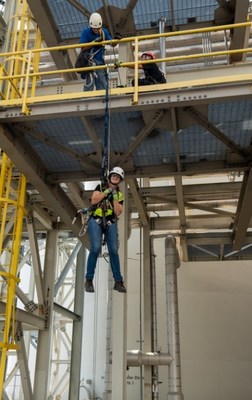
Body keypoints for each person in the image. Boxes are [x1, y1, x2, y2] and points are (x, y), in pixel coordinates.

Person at [84, 167, 127, 293]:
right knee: (96, 248)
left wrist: (113, 195)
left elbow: (118, 212)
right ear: (109, 177)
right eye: (113, 176)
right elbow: (94, 200)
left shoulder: (119, 195)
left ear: (119, 180)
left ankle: (118, 281)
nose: (115, 178)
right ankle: (89, 280)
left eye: (117, 177)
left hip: (110, 221)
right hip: (96, 219)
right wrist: (108, 190)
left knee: (113, 250)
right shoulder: (100, 187)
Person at [79, 12, 117, 91]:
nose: (96, 30)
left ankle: (103, 99)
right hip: (89, 62)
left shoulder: (104, 32)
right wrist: (94, 42)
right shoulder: (86, 32)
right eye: (94, 28)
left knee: (102, 82)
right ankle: (87, 99)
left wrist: (116, 40)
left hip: (99, 62)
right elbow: (82, 48)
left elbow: (112, 43)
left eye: (97, 28)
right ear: (91, 26)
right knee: (90, 82)